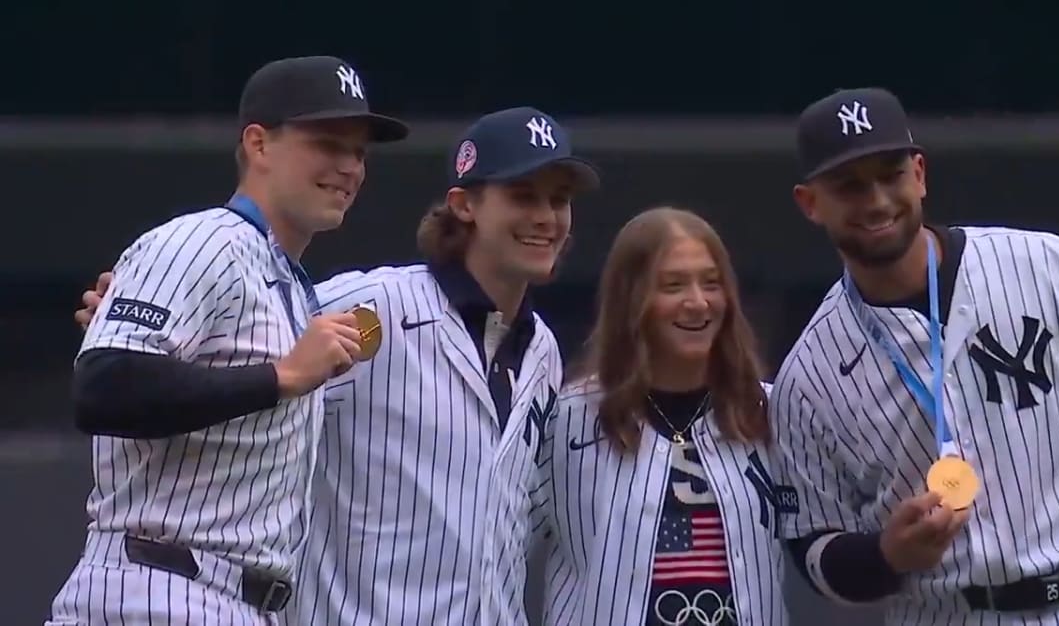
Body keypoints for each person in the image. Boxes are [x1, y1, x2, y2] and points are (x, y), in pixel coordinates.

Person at [73, 106, 599, 625]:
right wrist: (129, 315)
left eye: (560, 200)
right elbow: (237, 335)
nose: (546, 217)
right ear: (465, 206)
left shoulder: (542, 352)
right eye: (523, 196)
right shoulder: (378, 305)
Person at [769, 86, 1059, 624]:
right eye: (849, 186)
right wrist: (886, 556)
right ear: (810, 203)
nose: (876, 200)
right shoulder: (808, 375)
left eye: (890, 174)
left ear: (920, 174)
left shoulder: (1046, 266)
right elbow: (812, 547)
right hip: (945, 612)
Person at [47, 55, 409, 625]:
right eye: (328, 143)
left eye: (359, 151)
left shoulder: (288, 283)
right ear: (259, 144)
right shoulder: (203, 240)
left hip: (230, 598)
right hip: (159, 589)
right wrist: (282, 376)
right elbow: (104, 387)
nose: (349, 166)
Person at [485, 206, 796, 626]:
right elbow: (493, 549)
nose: (698, 302)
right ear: (632, 300)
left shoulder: (772, 414)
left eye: (712, 283)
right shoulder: (566, 421)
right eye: (673, 285)